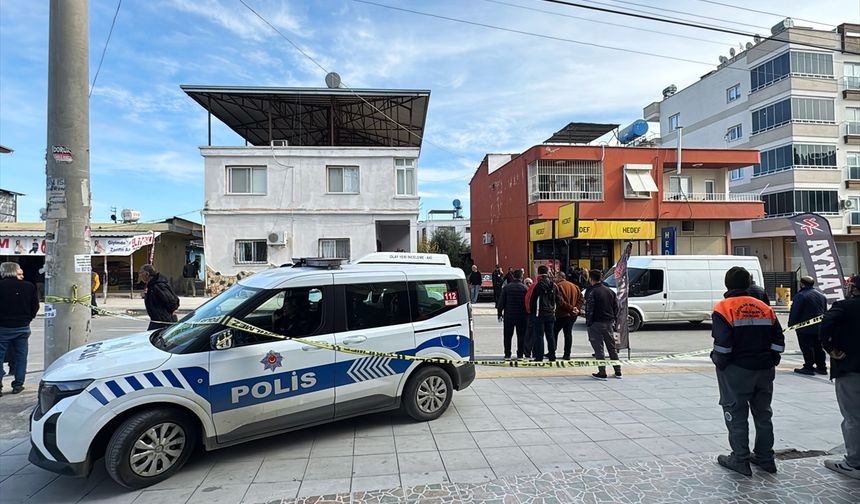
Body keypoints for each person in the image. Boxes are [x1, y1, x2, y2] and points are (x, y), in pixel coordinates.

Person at [711, 266, 784, 476]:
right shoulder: (764, 307)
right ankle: (765, 458)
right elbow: (778, 340)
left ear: (727, 284)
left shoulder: (723, 308)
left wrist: (719, 362)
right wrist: (771, 360)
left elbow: (723, 346)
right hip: (764, 368)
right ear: (747, 283)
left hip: (737, 370)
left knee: (735, 412)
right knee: (763, 414)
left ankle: (740, 459)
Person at [820, 275, 860, 480]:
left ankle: (854, 463)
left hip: (851, 368)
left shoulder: (844, 307)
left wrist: (831, 349)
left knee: (853, 417)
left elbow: (825, 326)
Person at [0, 263, 39, 396]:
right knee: (21, 356)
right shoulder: (29, 286)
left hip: (3, 327)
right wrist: (29, 318)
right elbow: (35, 306)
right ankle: (18, 384)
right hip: (22, 326)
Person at [788, 275, 827, 375]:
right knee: (818, 347)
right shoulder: (821, 296)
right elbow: (825, 311)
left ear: (801, 284)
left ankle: (809, 367)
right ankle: (822, 367)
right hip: (819, 326)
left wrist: (791, 324)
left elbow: (795, 311)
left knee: (807, 347)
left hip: (804, 327)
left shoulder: (801, 296)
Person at [585, 269, 621, 379]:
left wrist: (589, 322)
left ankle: (602, 372)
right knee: (612, 348)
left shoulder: (592, 292)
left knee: (599, 349)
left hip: (596, 323)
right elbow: (617, 308)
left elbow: (589, 309)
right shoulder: (610, 291)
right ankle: (618, 371)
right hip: (608, 323)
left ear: (591, 279)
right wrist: (613, 319)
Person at [525, 265, 558, 362]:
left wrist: (531, 312)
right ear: (547, 272)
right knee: (550, 336)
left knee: (539, 336)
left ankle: (539, 357)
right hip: (551, 314)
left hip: (539, 314)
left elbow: (532, 300)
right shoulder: (553, 285)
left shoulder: (537, 285)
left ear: (538, 273)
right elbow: (558, 299)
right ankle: (552, 355)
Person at [496, 269, 529, 361]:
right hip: (522, 316)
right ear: (522, 277)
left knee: (507, 336)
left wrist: (499, 314)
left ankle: (507, 354)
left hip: (509, 315)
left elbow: (501, 302)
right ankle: (520, 354)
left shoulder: (507, 288)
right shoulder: (525, 288)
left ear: (513, 276)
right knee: (521, 336)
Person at [139, 264, 180, 331]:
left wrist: (167, 313)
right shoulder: (151, 285)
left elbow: (172, 301)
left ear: (147, 274)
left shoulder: (158, 285)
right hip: (156, 321)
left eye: (141, 273)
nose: (140, 275)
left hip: (163, 322)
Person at [554, 271, 584, 360]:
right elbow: (581, 299)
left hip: (562, 314)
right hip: (573, 315)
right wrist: (576, 308)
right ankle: (567, 354)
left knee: (554, 332)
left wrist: (571, 308)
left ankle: (552, 351)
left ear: (559, 277)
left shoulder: (558, 286)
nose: (555, 279)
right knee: (568, 334)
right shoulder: (575, 286)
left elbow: (560, 301)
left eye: (556, 277)